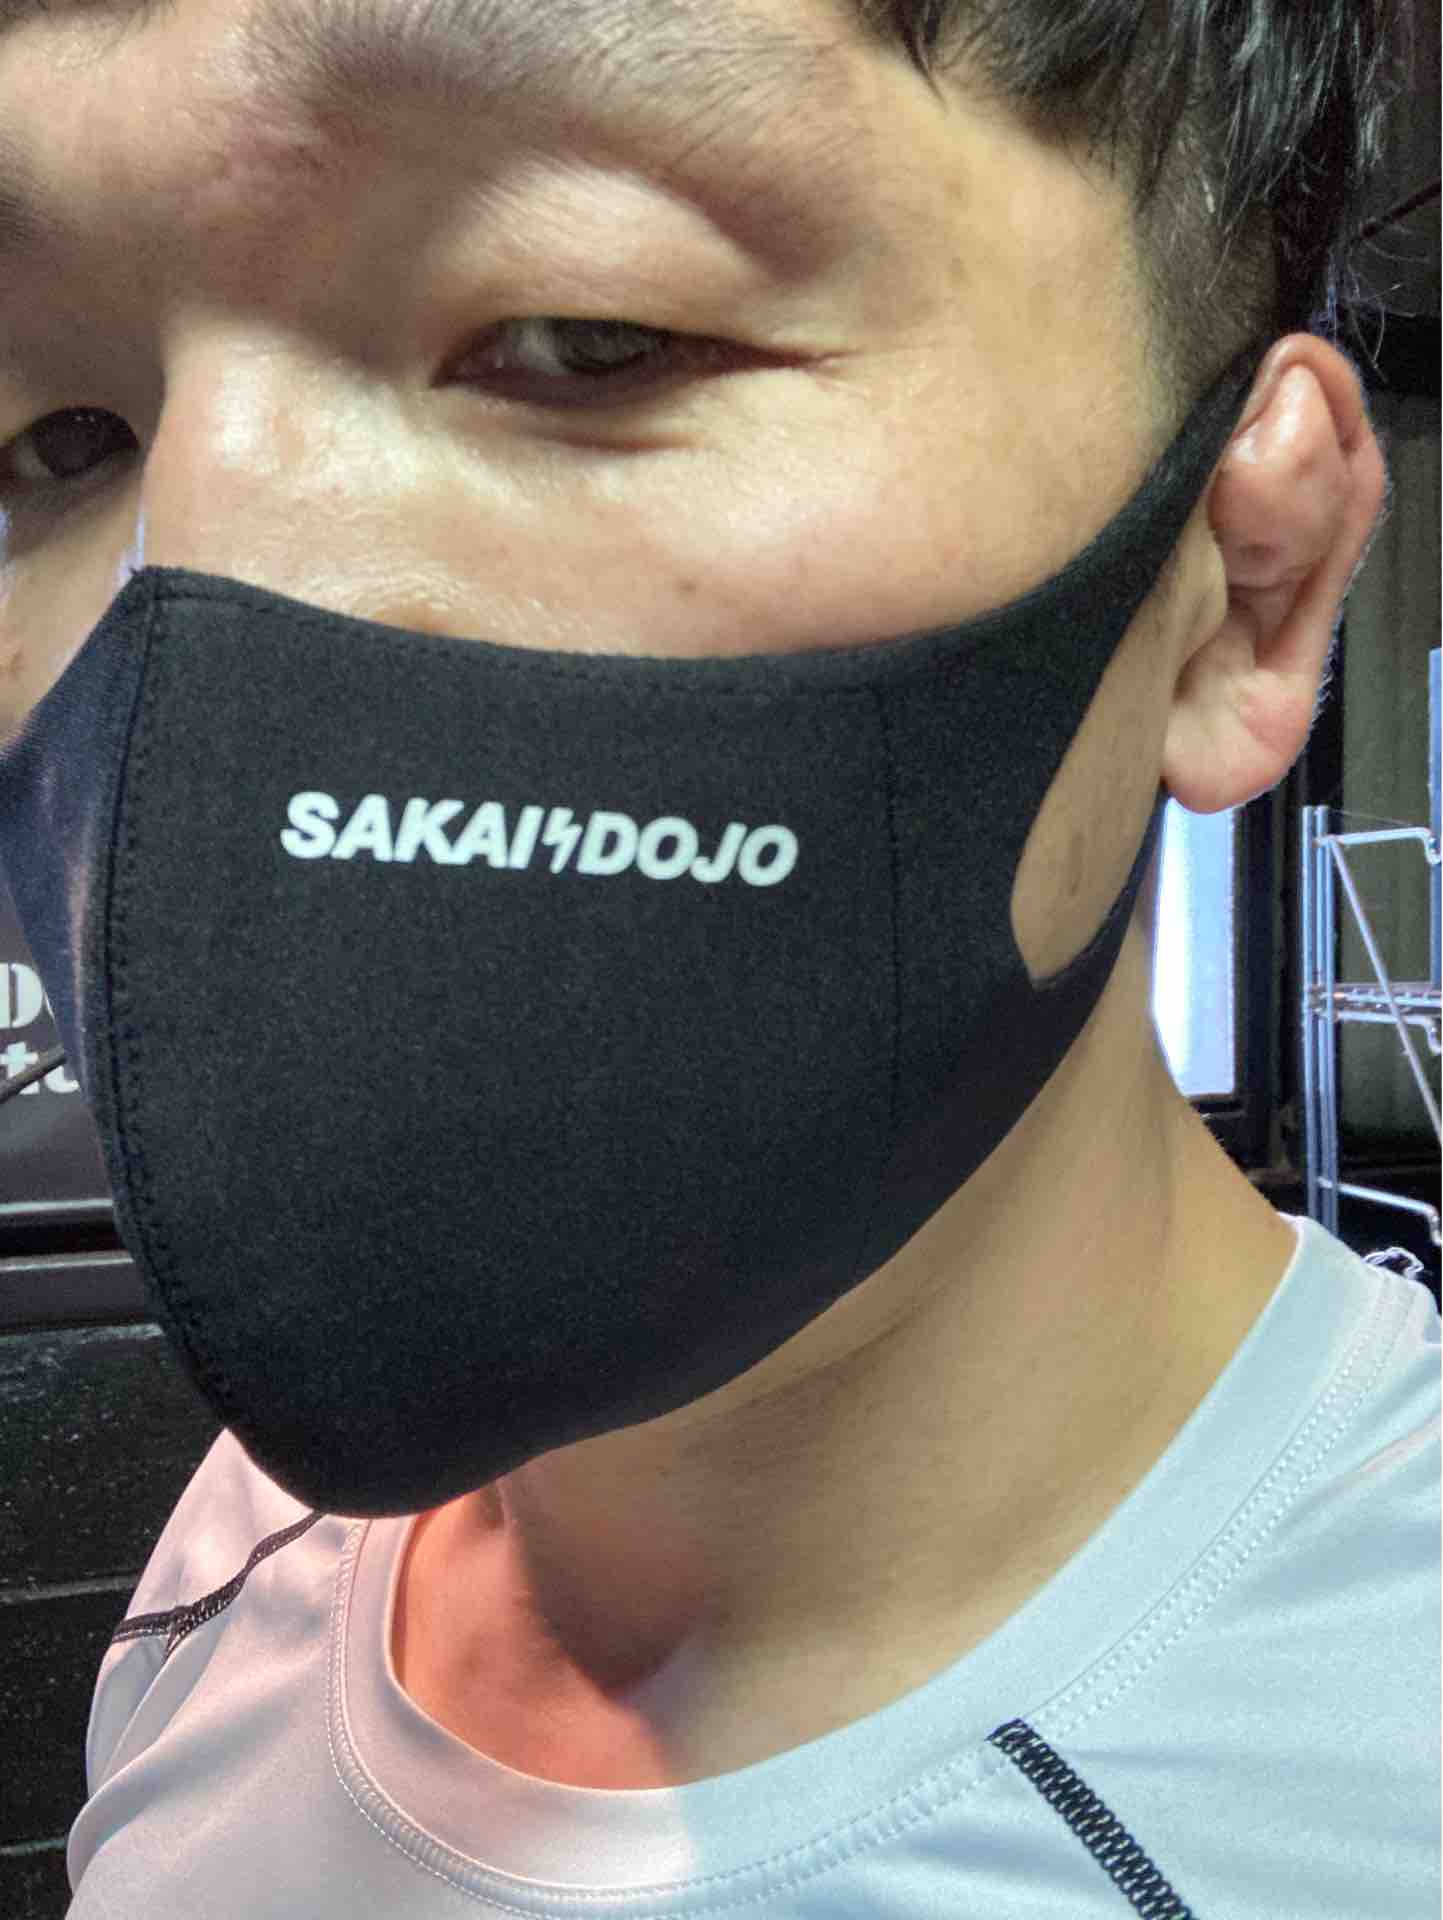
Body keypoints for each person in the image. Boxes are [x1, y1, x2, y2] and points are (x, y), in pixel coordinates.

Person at [0, 0, 1433, 1913]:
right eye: (57, 439)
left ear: (1245, 583)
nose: (193, 608)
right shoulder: (256, 1547)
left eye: (590, 337)